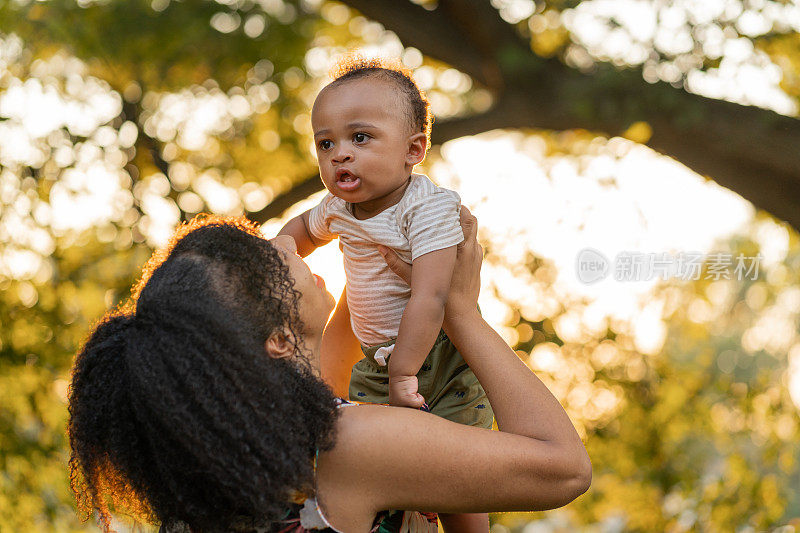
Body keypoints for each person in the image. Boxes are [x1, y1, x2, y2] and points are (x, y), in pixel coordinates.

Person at [67, 211, 591, 533]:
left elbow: (350, 328)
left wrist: (370, 234)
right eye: (266, 263)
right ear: (275, 341)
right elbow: (564, 468)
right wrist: (460, 311)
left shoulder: (228, 466)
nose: (286, 247)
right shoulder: (345, 446)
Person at [278, 59, 494, 530]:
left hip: (438, 355)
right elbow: (301, 232)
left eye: (360, 138)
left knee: (462, 472)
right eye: (325, 143)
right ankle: (416, 489)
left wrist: (404, 373)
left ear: (413, 149)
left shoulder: (429, 208)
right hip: (378, 362)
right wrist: (276, 251)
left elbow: (432, 296)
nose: (340, 155)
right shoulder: (339, 208)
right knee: (392, 456)